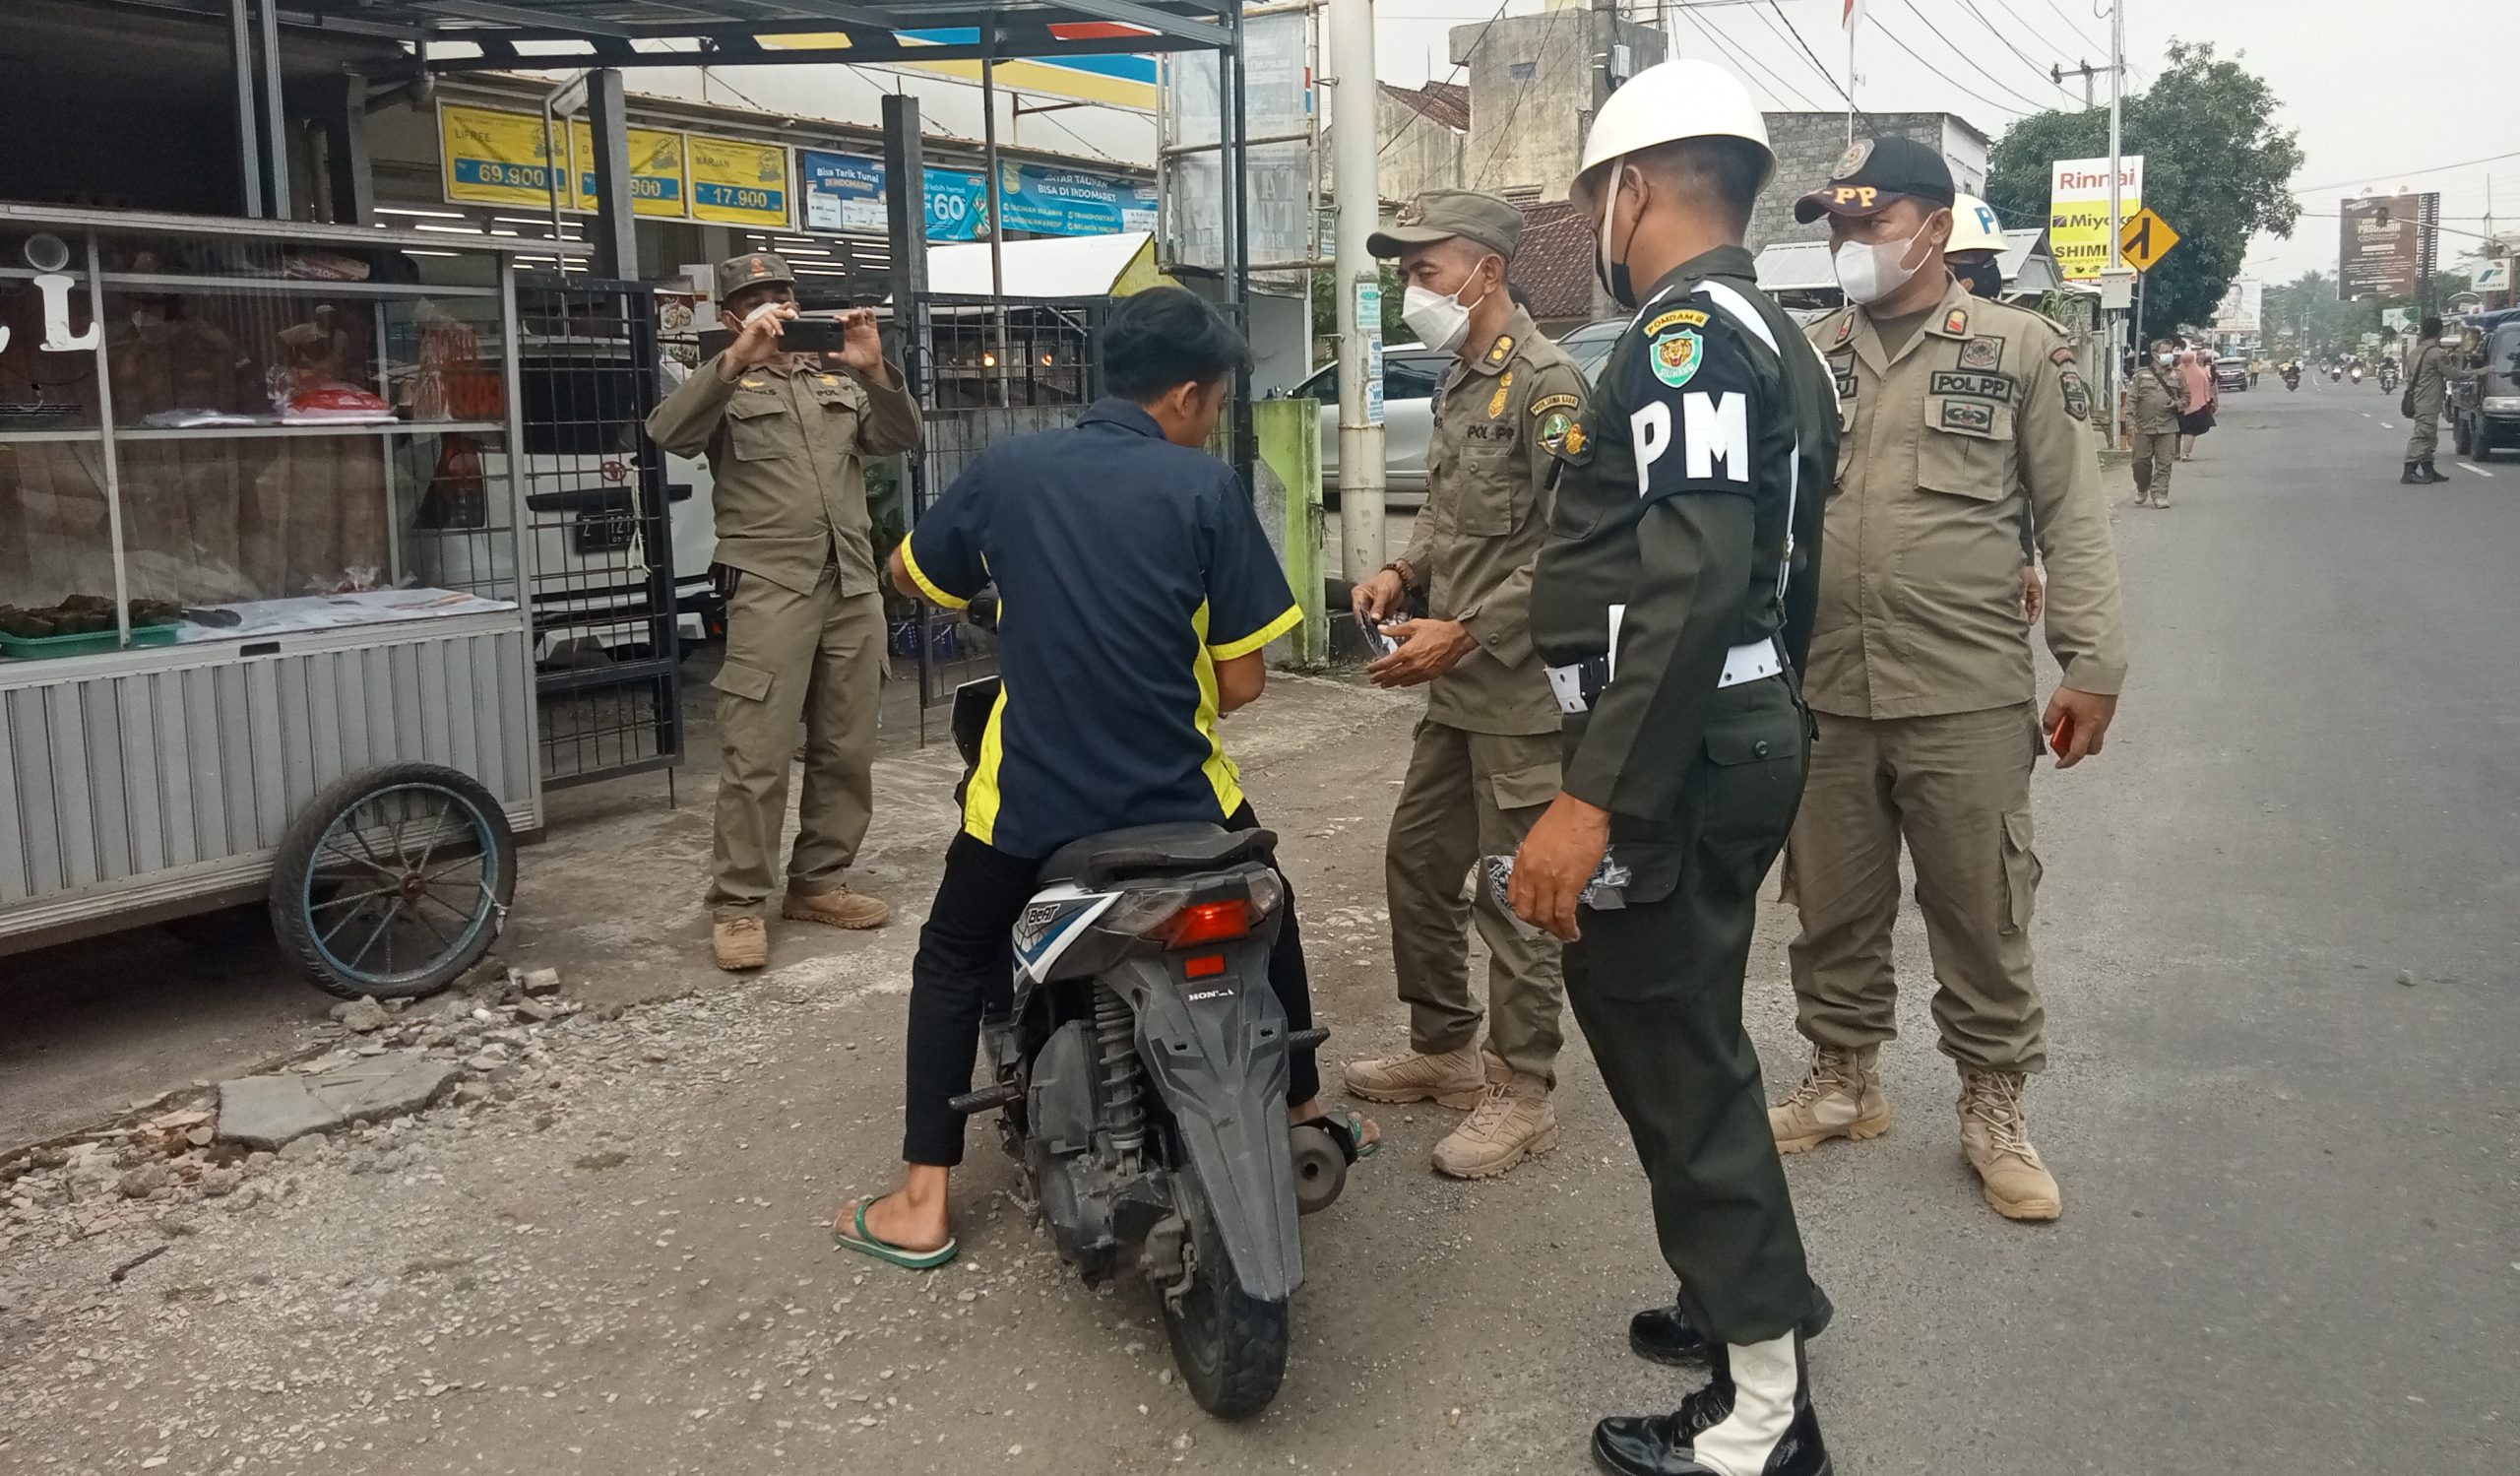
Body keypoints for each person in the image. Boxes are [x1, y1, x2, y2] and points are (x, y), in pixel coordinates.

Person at [832, 288, 1371, 1267]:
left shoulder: (1008, 469)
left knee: (954, 955)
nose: (1210, 421)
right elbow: (1243, 680)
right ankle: (1302, 1108)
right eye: (1213, 402)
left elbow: (913, 575)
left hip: (1033, 807)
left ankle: (921, 1199)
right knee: (1271, 908)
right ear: (1187, 395)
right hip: (1180, 800)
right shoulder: (1204, 490)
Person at [1508, 58, 1837, 1476]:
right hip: (1726, 728)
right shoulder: (1785, 331)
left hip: (1676, 747)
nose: (1594, 224)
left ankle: (1761, 1412)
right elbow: (1780, 575)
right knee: (1681, 1021)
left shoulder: (1692, 334)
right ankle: (1736, 1295)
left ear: (1630, 187)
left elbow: (1699, 582)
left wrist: (1595, 797)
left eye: (1593, 198)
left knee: (1676, 1050)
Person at [1768, 139, 2127, 1227]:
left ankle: (1992, 1105)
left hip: (1963, 681)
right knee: (1829, 900)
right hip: (1824, 682)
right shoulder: (1805, 353)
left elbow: (2071, 513)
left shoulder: (2020, 348)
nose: (1847, 245)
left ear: (1932, 226)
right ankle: (1843, 1077)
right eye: (1835, 226)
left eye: (1867, 225)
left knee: (1978, 908)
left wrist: (2092, 659)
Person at [1342, 190, 1589, 1180]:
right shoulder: (1461, 381)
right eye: (1404, 272)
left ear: (1485, 270)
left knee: (1511, 888)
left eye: (1424, 269)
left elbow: (1580, 548)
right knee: (1416, 859)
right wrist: (1403, 572)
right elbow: (1453, 519)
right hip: (1456, 689)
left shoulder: (1548, 384)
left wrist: (1471, 628)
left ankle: (1521, 1089)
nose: (1412, 288)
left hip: (1519, 689)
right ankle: (1442, 1044)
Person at [647, 254, 921, 972]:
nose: (777, 307)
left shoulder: (837, 376)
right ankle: (739, 904)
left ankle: (818, 881)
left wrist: (874, 369)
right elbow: (667, 433)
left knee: (847, 743)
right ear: (733, 314)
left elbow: (897, 439)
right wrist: (737, 359)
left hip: (852, 582)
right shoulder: (726, 379)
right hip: (771, 585)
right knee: (757, 751)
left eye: (785, 295)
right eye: (758, 298)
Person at [2400, 316, 2471, 484]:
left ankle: (2428, 469)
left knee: (2429, 435)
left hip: (2419, 398)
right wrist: (2478, 372)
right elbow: (2453, 375)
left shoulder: (2414, 353)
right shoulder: (2436, 353)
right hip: (2429, 400)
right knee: (2423, 434)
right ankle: (2409, 471)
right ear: (2439, 332)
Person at [2129, 337, 2189, 508]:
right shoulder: (2141, 375)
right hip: (2143, 426)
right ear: (2155, 354)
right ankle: (2142, 487)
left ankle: (2160, 495)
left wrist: (2177, 404)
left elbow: (2187, 398)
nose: (2169, 355)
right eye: (2165, 352)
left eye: (2170, 352)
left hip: (2168, 426)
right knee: (2140, 462)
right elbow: (2132, 399)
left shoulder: (2178, 375)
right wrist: (2130, 421)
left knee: (2164, 463)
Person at [2175, 345, 2215, 460]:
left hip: (2178, 406)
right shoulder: (2199, 373)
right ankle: (2185, 454)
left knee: (2176, 431)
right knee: (2190, 431)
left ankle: (2175, 453)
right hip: (2196, 407)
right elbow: (2207, 388)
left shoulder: (2177, 372)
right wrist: (2209, 400)